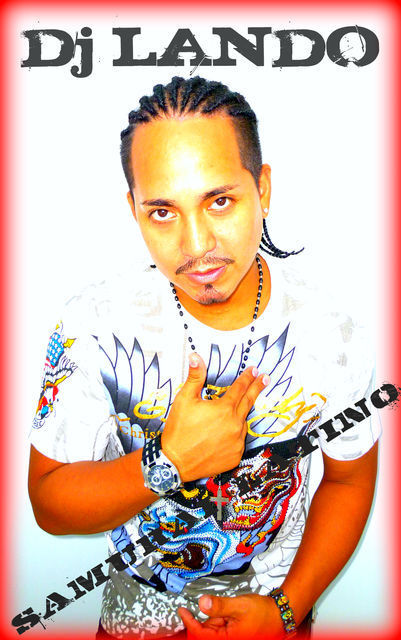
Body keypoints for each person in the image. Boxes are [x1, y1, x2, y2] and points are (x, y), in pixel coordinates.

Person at [28, 76, 380, 640]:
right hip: (136, 617)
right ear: (133, 209)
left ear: (263, 189)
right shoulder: (94, 326)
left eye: (219, 201)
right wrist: (167, 462)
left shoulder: (332, 333)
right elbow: (49, 502)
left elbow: (349, 480)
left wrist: (286, 611)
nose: (196, 246)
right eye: (162, 212)